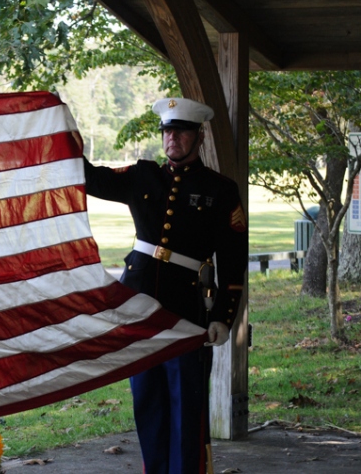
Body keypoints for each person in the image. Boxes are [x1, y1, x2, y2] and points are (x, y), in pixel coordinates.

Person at [83, 97, 247, 474]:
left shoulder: (221, 189)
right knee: (148, 401)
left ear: (199, 138)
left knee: (186, 405)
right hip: (138, 306)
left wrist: (224, 317)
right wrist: (62, 134)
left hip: (187, 309)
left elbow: (233, 261)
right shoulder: (142, 176)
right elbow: (90, 178)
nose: (173, 138)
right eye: (168, 131)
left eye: (182, 132)